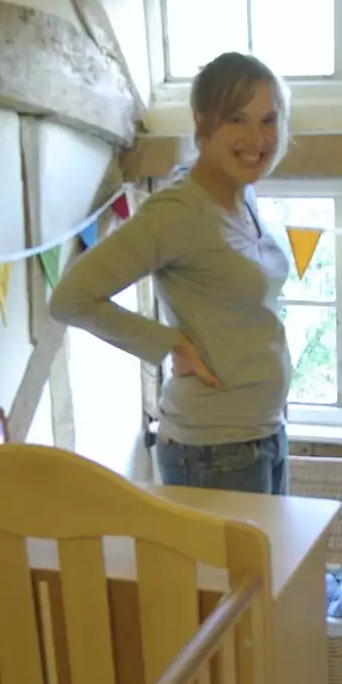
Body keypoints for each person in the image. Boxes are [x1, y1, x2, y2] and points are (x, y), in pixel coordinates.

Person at [49, 52, 295, 495]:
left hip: (264, 434)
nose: (257, 138)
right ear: (202, 122)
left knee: (273, 567)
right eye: (237, 119)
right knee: (242, 569)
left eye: (269, 119)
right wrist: (171, 344)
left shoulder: (243, 198)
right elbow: (71, 298)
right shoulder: (179, 210)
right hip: (216, 449)